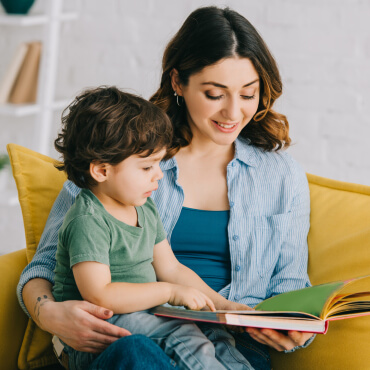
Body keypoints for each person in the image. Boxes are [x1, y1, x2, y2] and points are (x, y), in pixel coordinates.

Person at [17, 6, 314, 370]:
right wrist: (50, 315)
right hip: (129, 336)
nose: (233, 113)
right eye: (215, 94)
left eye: (248, 94)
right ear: (178, 82)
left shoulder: (281, 176)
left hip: (230, 343)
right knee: (135, 354)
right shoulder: (121, 157)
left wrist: (293, 326)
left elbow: (291, 284)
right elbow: (42, 268)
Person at [52, 86, 255, 370]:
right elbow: (101, 295)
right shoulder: (88, 219)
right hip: (100, 329)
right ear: (101, 170)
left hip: (143, 315)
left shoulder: (143, 207)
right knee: (181, 335)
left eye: (158, 163)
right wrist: (169, 292)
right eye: (147, 167)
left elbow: (171, 268)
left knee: (213, 336)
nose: (159, 174)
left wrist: (222, 305)